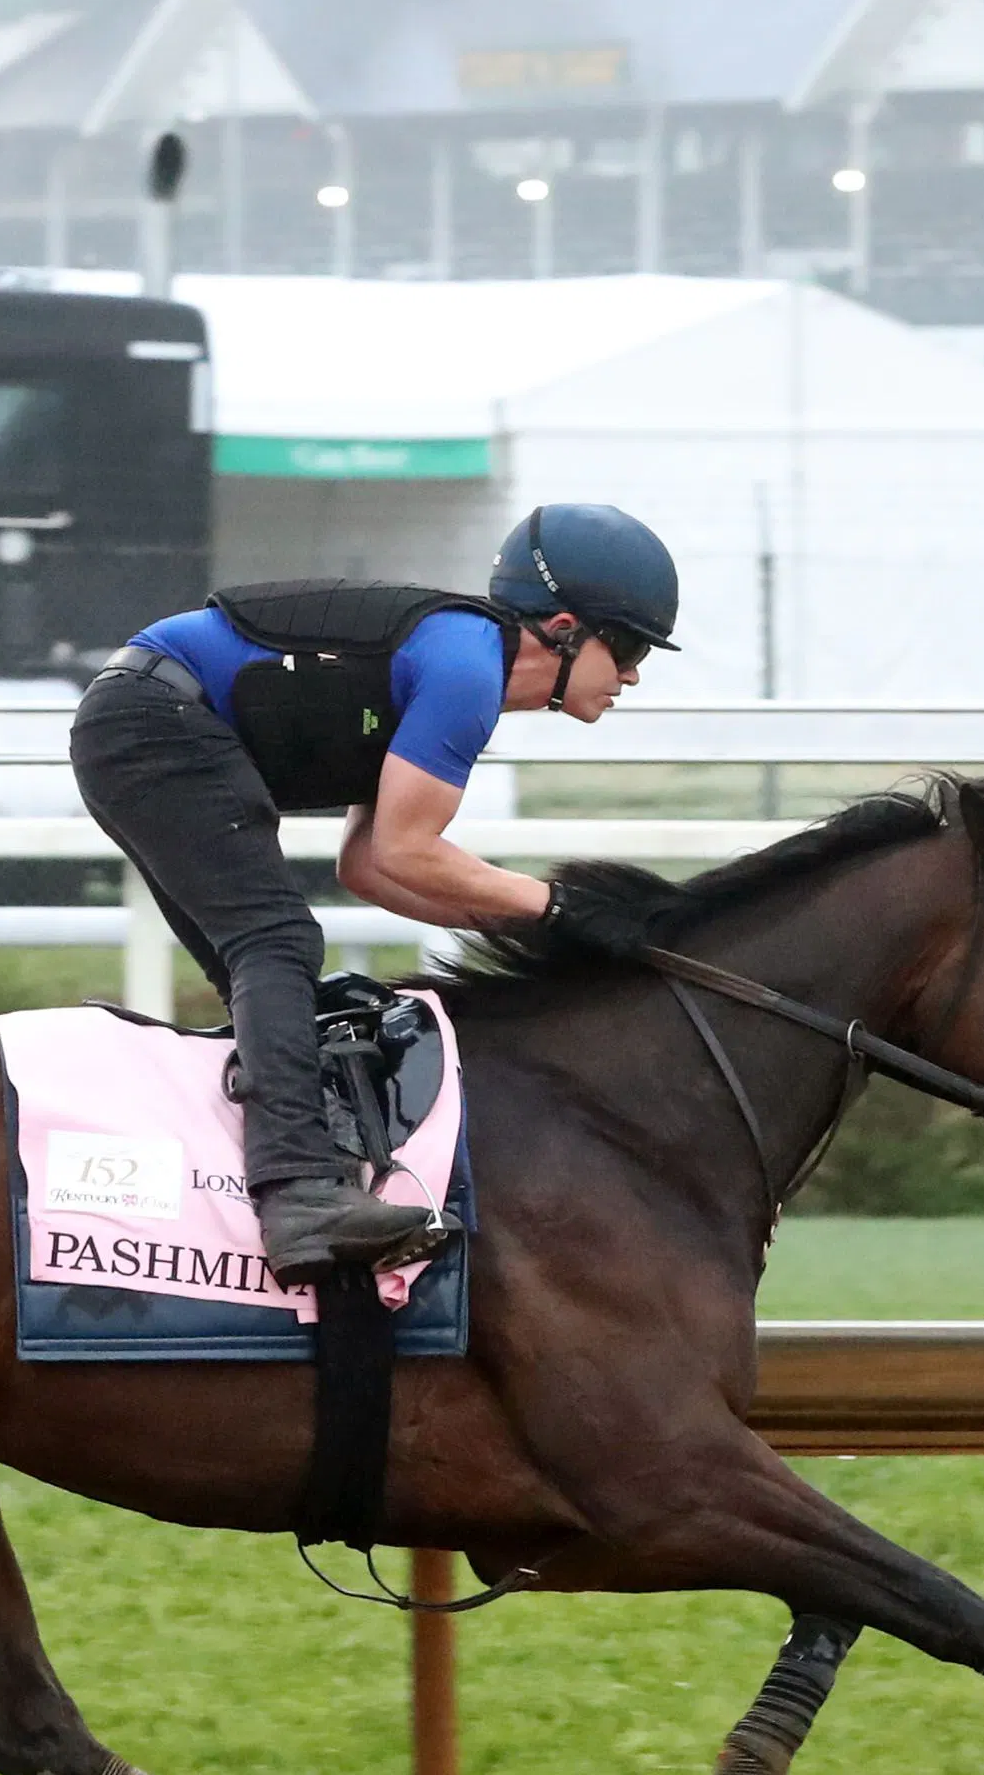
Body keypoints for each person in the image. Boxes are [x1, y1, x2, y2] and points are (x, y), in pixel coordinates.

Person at [73, 504, 681, 1281]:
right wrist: (558, 909)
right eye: (628, 646)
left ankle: (256, 1183)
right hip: (152, 718)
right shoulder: (465, 671)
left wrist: (538, 926)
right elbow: (407, 849)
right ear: (564, 628)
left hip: (139, 714)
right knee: (277, 945)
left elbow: (370, 866)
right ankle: (298, 1198)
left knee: (271, 979)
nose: (631, 673)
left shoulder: (455, 661)